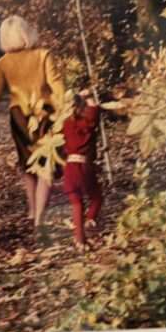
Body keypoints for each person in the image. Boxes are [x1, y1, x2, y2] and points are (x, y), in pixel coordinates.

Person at [0, 15, 66, 228]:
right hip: (44, 113)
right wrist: (64, 108)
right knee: (46, 165)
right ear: (27, 32)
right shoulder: (43, 55)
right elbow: (56, 85)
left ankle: (31, 210)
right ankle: (39, 218)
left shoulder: (3, 63)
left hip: (18, 116)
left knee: (27, 165)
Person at [62, 89, 103, 248]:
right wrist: (90, 97)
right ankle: (90, 219)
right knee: (96, 196)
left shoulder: (65, 125)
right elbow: (93, 116)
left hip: (70, 167)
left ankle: (79, 240)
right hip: (84, 166)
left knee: (77, 203)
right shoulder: (84, 125)